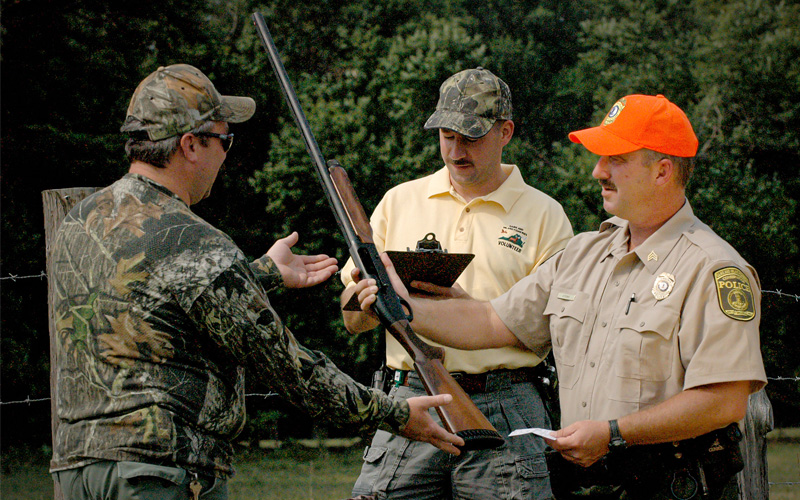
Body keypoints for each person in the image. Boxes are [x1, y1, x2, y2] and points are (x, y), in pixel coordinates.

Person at [48, 63, 464, 500]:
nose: (226, 155)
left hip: (75, 471)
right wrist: (394, 414)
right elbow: (288, 367)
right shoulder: (193, 240)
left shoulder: (79, 222)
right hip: (159, 475)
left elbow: (153, 295)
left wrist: (260, 272)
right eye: (224, 140)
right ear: (190, 145)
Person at [353, 94, 767, 499]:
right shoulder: (584, 253)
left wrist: (613, 434)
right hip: (588, 482)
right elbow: (490, 321)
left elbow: (724, 401)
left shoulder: (713, 269)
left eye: (616, 159)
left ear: (662, 172)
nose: (598, 171)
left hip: (671, 485)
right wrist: (398, 303)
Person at [341, 67, 573, 500]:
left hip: (507, 401)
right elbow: (352, 322)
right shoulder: (398, 201)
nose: (455, 150)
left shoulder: (546, 215)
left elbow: (552, 329)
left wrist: (472, 309)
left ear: (505, 132)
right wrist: (369, 302)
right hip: (410, 397)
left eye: (471, 137)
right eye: (447, 136)